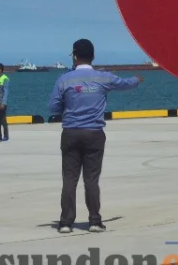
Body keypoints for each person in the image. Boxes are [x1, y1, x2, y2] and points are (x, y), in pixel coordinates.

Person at [47, 38, 143, 233]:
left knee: (69, 179)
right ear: (93, 57)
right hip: (94, 133)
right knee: (91, 179)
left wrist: (68, 106)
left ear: (74, 57)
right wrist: (136, 80)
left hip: (71, 133)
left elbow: (52, 107)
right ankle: (94, 220)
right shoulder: (103, 77)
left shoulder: (64, 79)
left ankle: (66, 223)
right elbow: (125, 84)